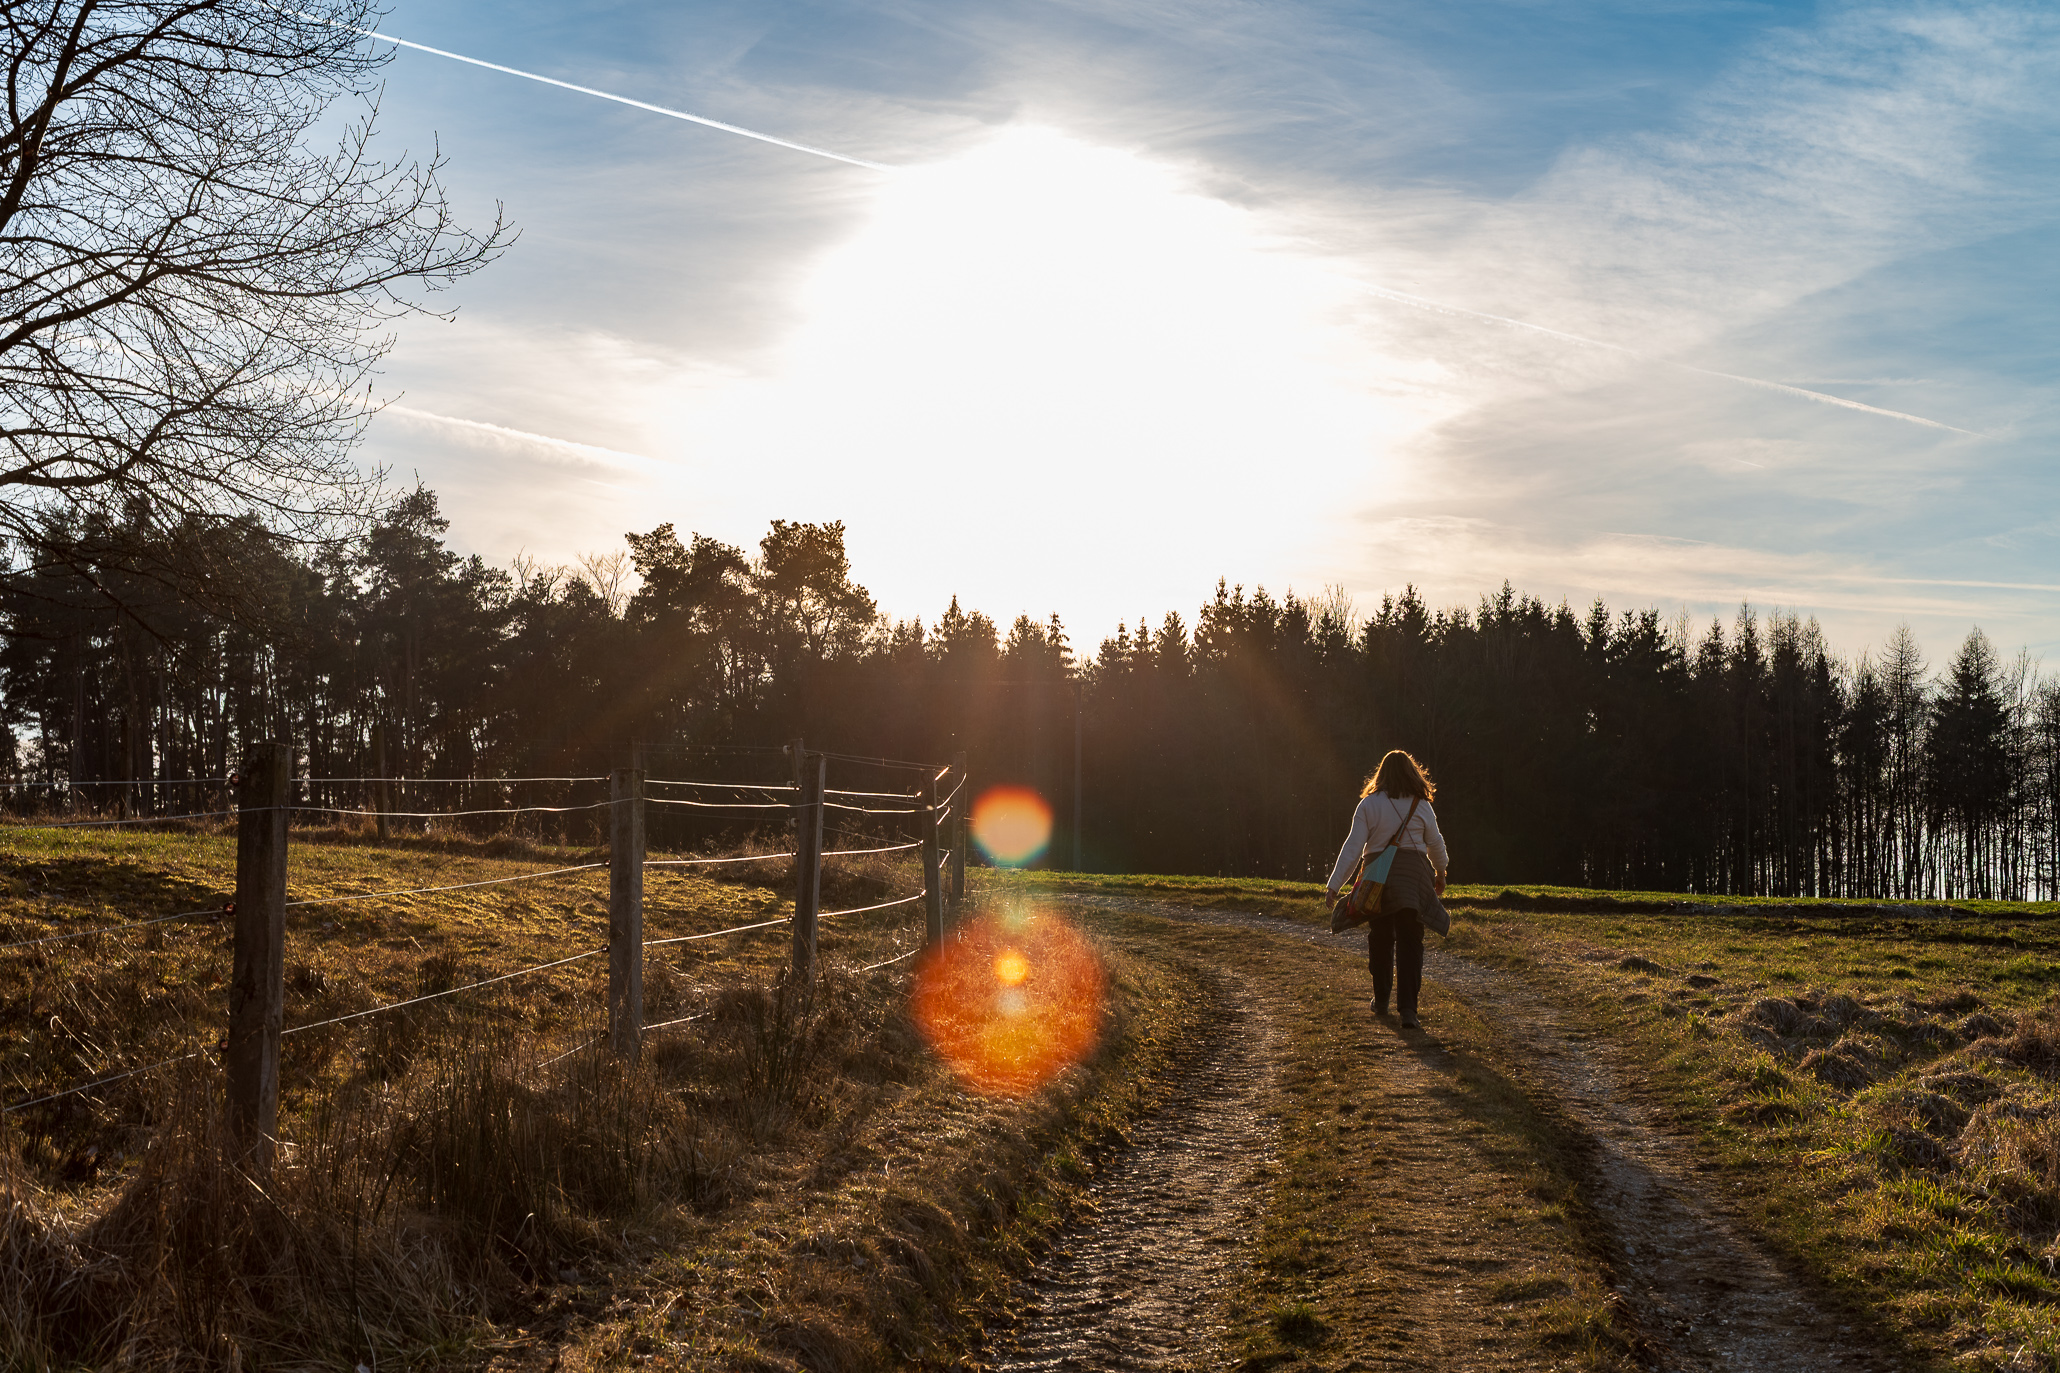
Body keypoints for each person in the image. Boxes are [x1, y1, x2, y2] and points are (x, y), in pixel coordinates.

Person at [1324, 749, 1449, 1028]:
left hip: (1376, 877)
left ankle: (1381, 1000)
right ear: (1411, 773)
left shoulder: (1369, 805)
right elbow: (1436, 844)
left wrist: (1334, 886)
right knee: (1410, 941)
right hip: (1413, 879)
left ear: (1381, 773)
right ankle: (1408, 1011)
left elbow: (1353, 848)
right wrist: (1440, 873)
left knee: (1380, 937)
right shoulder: (1422, 805)